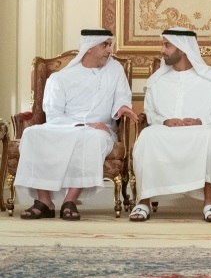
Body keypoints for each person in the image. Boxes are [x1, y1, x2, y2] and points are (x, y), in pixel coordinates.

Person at [15, 29, 137, 221]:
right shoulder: (61, 78)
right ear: (89, 48)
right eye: (105, 45)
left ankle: (70, 200)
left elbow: (122, 96)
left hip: (101, 129)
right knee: (32, 133)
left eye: (110, 44)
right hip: (64, 126)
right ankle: (44, 201)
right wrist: (82, 124)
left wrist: (122, 107)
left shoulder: (115, 70)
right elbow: (53, 114)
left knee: (92, 138)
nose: (110, 50)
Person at [129, 28, 211, 223]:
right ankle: (143, 203)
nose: (162, 50)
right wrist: (164, 121)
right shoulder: (157, 81)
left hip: (200, 131)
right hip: (166, 131)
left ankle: (210, 204)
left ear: (183, 48)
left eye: (167, 45)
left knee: (210, 136)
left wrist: (200, 121)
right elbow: (150, 113)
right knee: (146, 137)